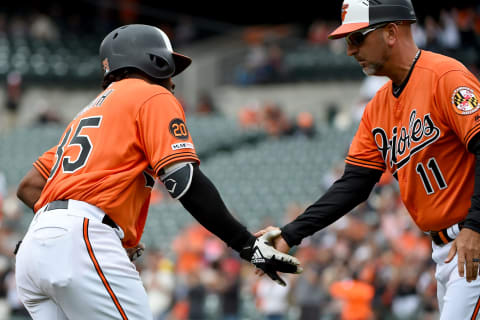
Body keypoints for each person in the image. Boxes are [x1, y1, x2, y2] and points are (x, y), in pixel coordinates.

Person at [14, 24, 301, 320]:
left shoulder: (86, 114)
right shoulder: (151, 95)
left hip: (34, 249)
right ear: (152, 60)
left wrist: (54, 231)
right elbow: (183, 181)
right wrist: (247, 246)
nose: (172, 82)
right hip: (82, 238)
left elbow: (29, 186)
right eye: (169, 69)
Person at [257, 1, 480, 319]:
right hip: (447, 251)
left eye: (357, 38)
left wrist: (476, 226)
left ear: (391, 33)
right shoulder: (378, 107)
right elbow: (354, 185)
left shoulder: (445, 76)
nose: (350, 50)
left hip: (473, 241)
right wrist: (290, 233)